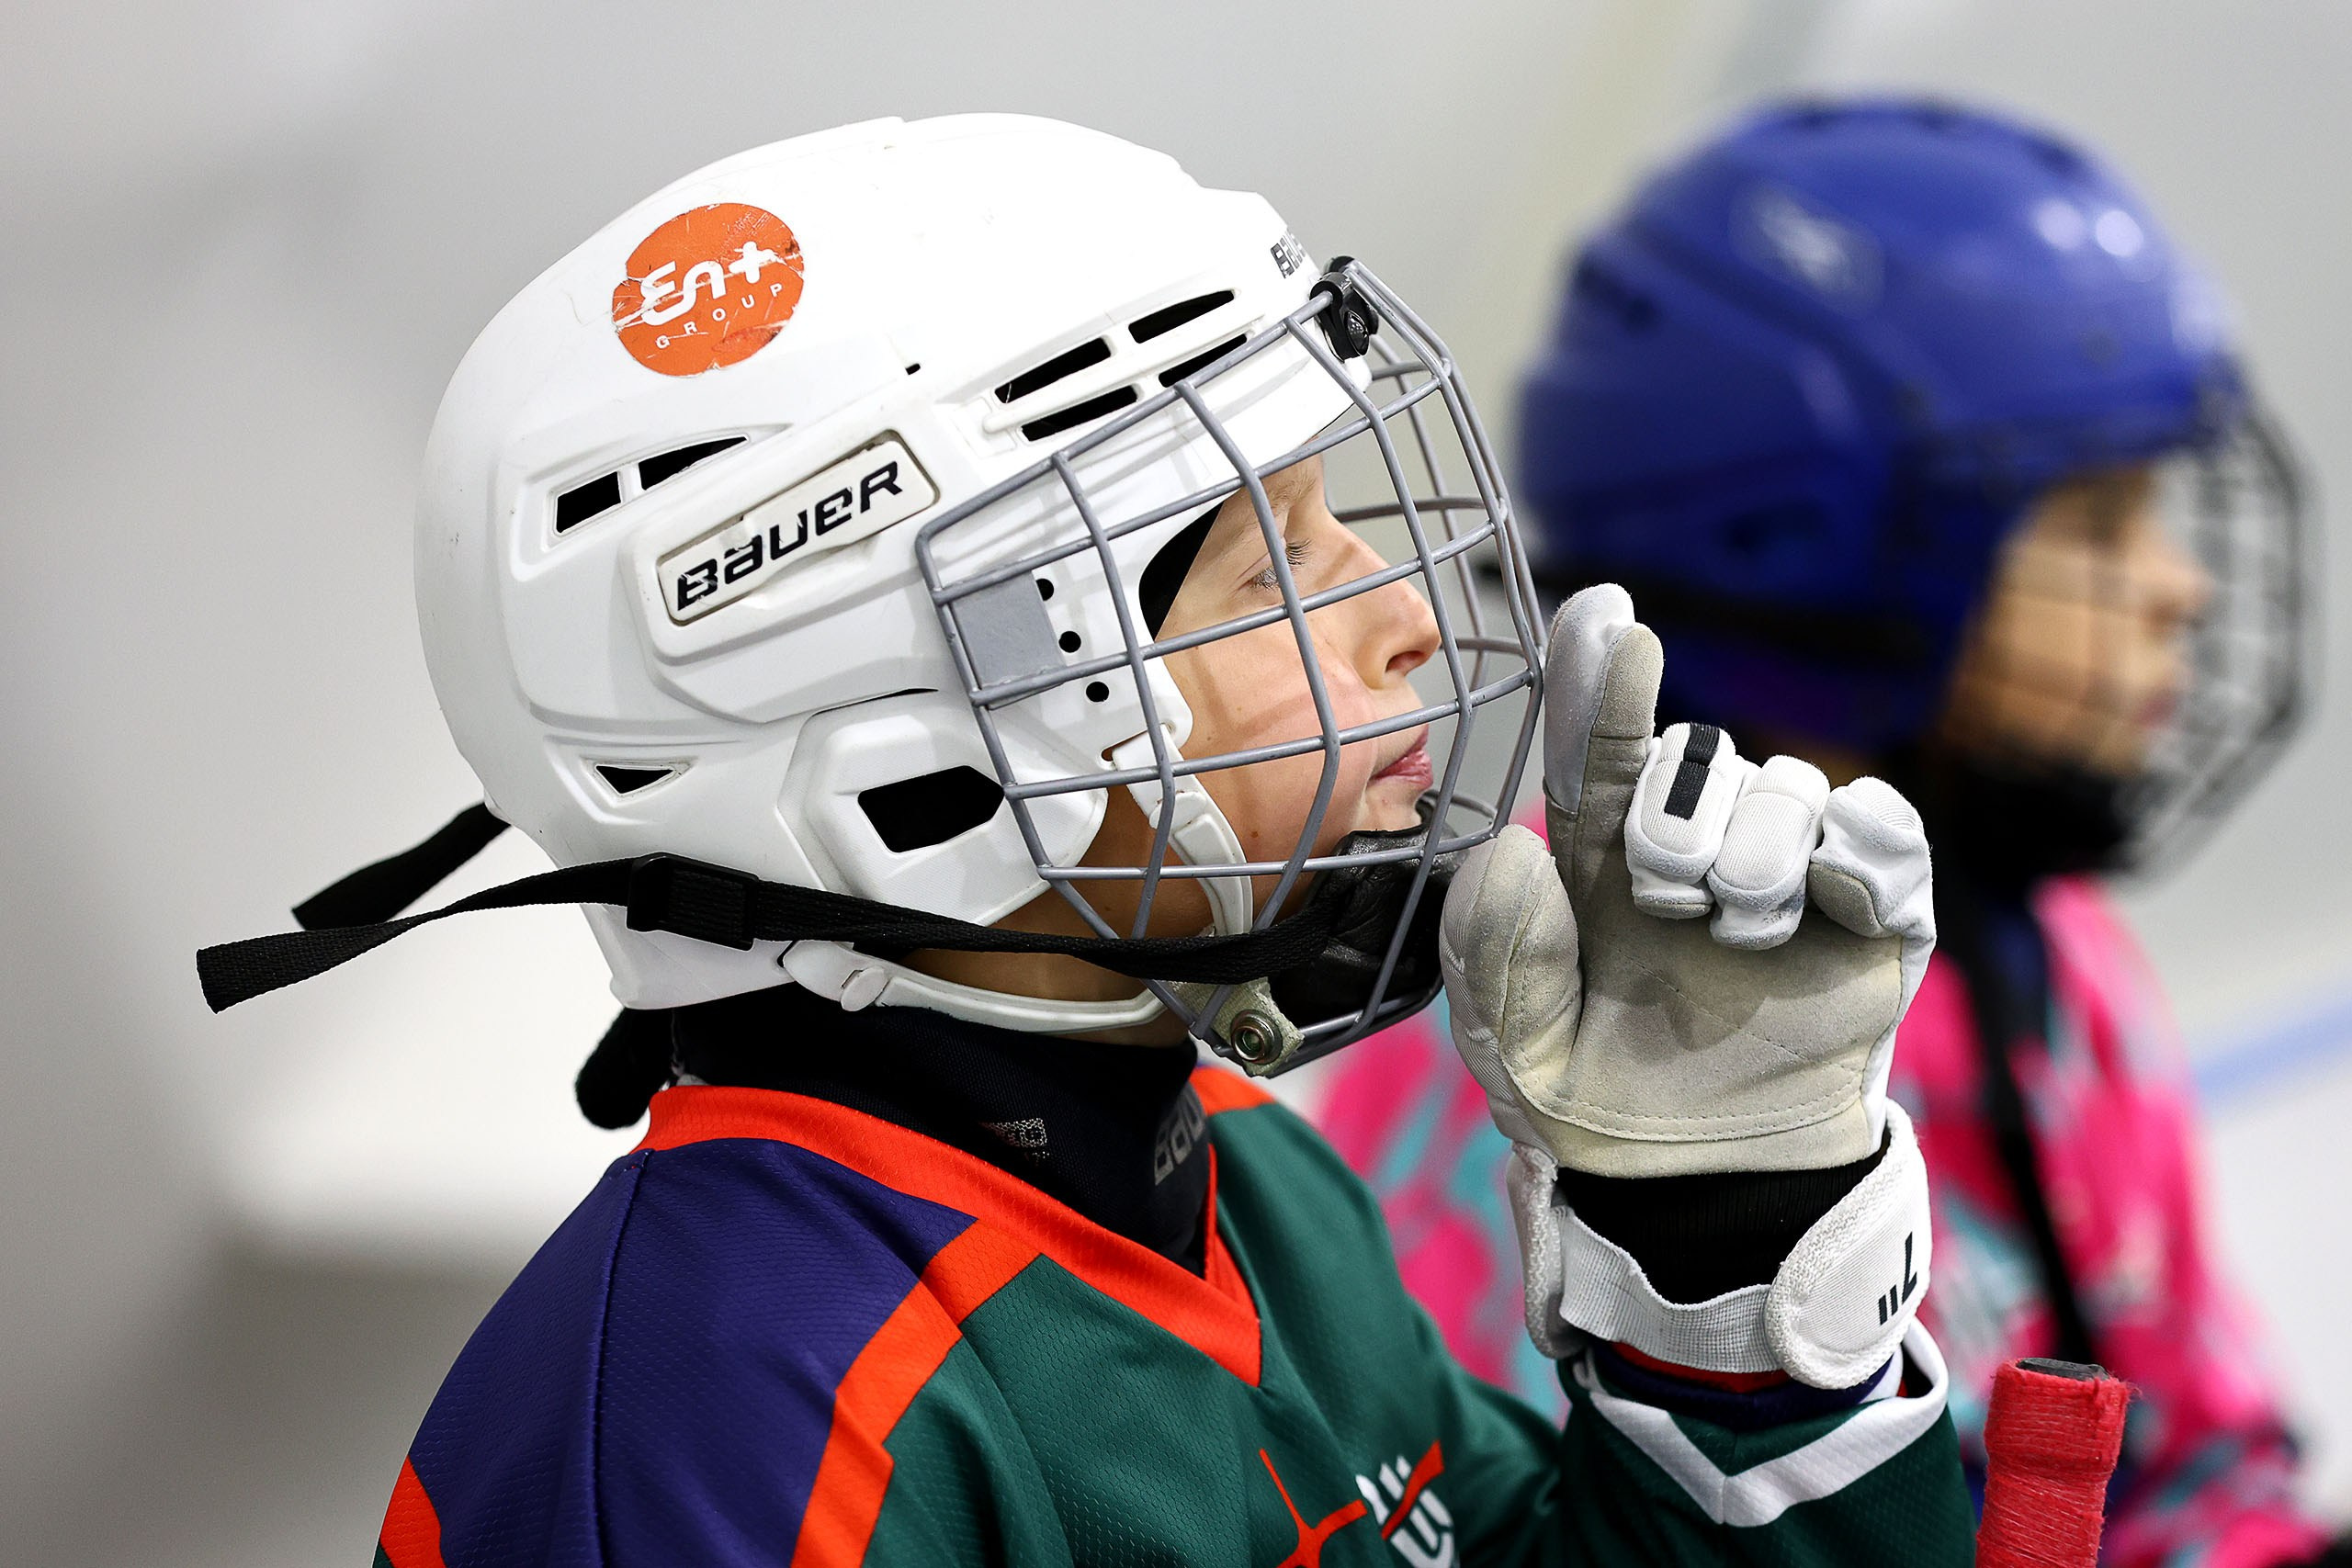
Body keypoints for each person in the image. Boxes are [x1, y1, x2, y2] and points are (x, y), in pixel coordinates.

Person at [200, 115, 1974, 1565]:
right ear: (892, 757)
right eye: (1252, 561)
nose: (1397, 615)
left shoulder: (1251, 1186)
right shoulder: (719, 1431)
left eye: (1328, 512)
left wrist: (1737, 1263)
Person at [1318, 96, 2340, 1566]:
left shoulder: (2051, 951)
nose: (2178, 586)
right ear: (1815, 548)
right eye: (2102, 524)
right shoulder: (1555, 1028)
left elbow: (2201, 1465)